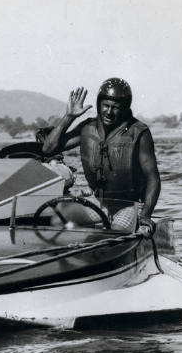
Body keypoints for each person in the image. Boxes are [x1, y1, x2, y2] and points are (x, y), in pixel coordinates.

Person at [41, 78, 161, 236]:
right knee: (55, 220)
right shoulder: (87, 128)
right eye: (106, 106)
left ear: (125, 108)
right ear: (99, 104)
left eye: (115, 108)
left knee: (113, 236)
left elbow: (153, 178)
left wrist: (145, 216)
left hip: (127, 206)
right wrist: (69, 117)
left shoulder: (139, 132)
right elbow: (48, 149)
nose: (109, 112)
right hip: (97, 202)